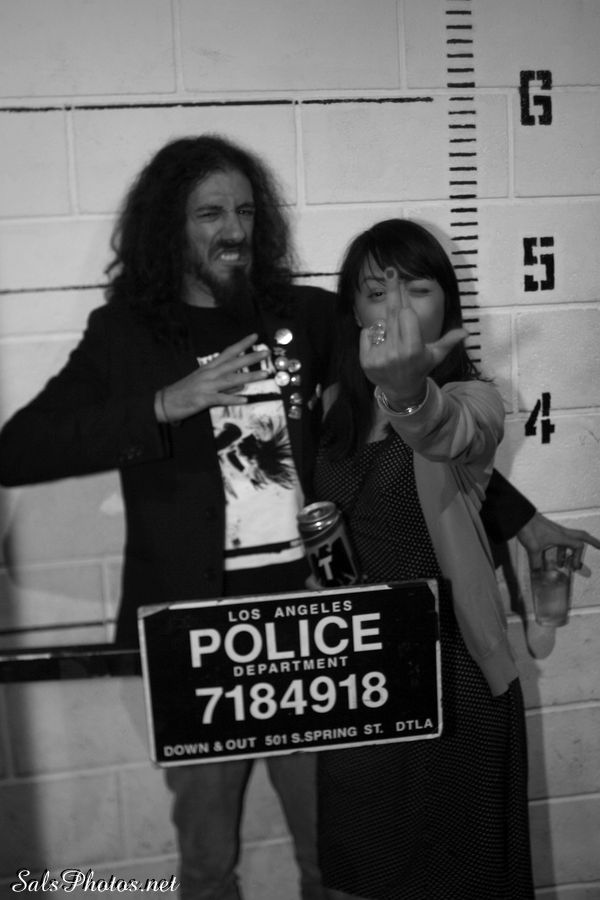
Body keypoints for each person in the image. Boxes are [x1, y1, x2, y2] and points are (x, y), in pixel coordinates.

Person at [0, 138, 597, 899]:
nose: (234, 230)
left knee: (334, 857)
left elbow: (408, 428)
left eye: (246, 211)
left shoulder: (303, 315)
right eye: (211, 213)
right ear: (168, 224)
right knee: (207, 863)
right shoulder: (125, 335)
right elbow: (18, 450)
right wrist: (162, 405)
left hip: (315, 631)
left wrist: (520, 518)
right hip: (199, 638)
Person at [313, 218, 534, 899]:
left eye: (417, 287)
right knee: (365, 875)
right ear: (354, 310)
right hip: (359, 683)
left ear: (447, 302)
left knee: (462, 881)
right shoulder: (331, 406)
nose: (398, 307)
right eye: (376, 291)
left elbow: (450, 434)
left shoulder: (476, 398)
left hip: (454, 676)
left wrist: (408, 393)